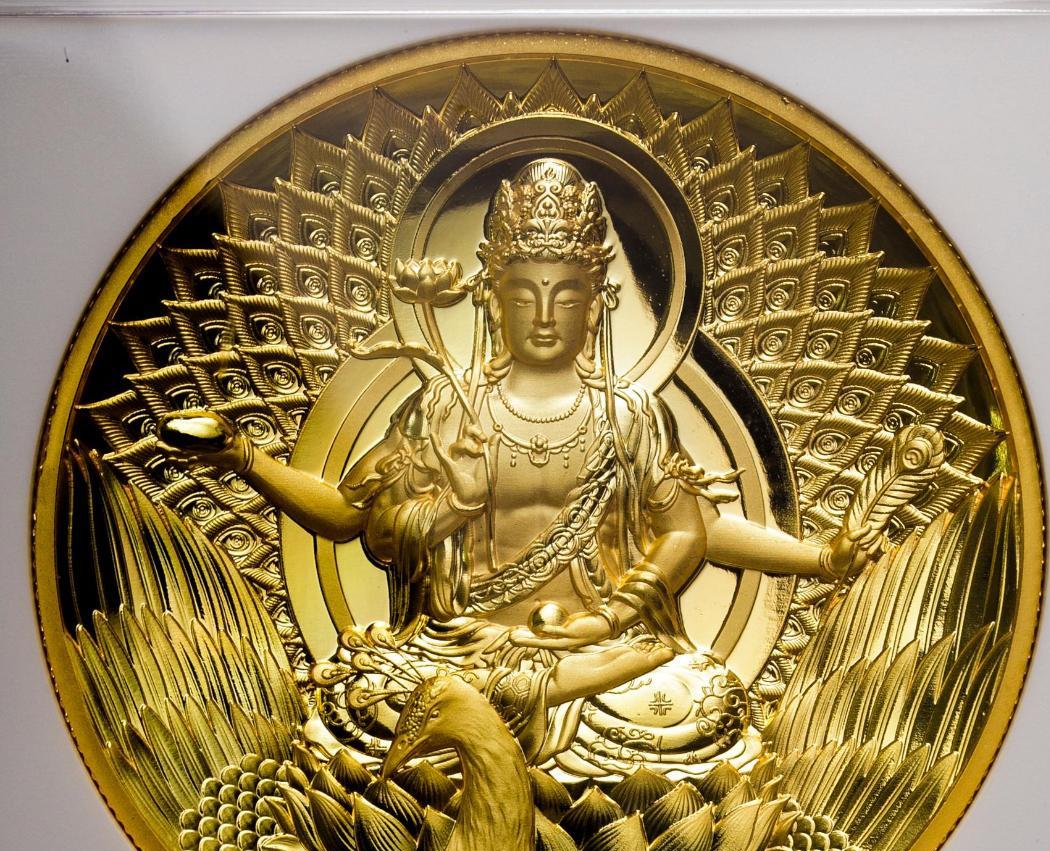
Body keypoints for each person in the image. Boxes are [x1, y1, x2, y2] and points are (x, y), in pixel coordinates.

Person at [160, 158, 867, 781]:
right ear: (492, 300)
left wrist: (816, 560)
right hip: (457, 656)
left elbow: (692, 532)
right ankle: (516, 728)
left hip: (600, 659)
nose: (545, 315)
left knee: (705, 700)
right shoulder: (446, 410)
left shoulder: (628, 417)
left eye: (567, 295)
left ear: (599, 303)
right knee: (368, 700)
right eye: (524, 295)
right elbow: (346, 516)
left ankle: (508, 732)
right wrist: (240, 456)